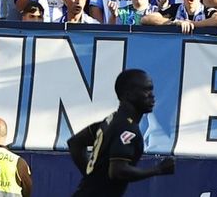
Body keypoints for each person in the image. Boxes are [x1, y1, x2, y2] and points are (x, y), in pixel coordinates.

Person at [67, 68, 176, 196]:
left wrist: (91, 177)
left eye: (151, 89)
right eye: (146, 90)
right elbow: (118, 171)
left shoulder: (111, 120)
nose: (152, 95)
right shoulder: (126, 128)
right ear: (128, 94)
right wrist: (158, 170)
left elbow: (75, 143)